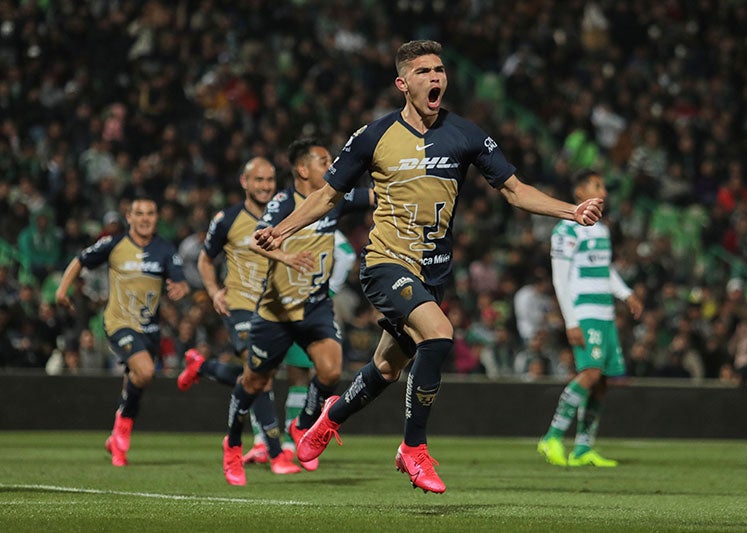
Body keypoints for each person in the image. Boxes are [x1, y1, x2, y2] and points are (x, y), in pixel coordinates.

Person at [253, 40, 604, 494]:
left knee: (385, 368)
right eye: (423, 71)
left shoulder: (467, 134)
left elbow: (515, 191)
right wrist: (282, 230)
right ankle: (412, 449)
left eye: (439, 69)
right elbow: (326, 195)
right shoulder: (373, 136)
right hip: (385, 263)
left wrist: (571, 210)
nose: (435, 77)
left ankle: (329, 418)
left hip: (432, 273)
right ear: (403, 83)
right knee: (438, 335)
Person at [221, 137, 373, 486]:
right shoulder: (282, 202)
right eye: (323, 161)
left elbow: (376, 195)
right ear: (302, 169)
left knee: (332, 370)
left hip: (315, 306)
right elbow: (258, 239)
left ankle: (302, 424)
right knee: (254, 382)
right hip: (276, 313)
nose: (331, 165)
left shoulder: (334, 200)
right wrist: (286, 256)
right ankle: (232, 443)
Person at [55, 197, 190, 466]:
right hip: (118, 323)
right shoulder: (114, 243)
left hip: (149, 328)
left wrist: (180, 288)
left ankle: (118, 433)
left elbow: (181, 281)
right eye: (139, 213)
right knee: (146, 370)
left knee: (138, 381)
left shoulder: (164, 249)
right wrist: (62, 290)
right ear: (129, 217)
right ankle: (122, 430)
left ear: (156, 217)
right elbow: (80, 260)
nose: (145, 218)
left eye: (150, 213)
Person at [537, 168, 642, 468]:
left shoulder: (601, 229)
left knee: (602, 382)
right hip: (583, 312)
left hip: (605, 312)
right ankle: (553, 436)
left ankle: (583, 448)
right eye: (597, 185)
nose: (604, 192)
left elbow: (605, 270)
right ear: (579, 192)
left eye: (604, 186)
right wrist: (570, 321)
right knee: (591, 373)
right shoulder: (566, 230)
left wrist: (626, 294)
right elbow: (560, 279)